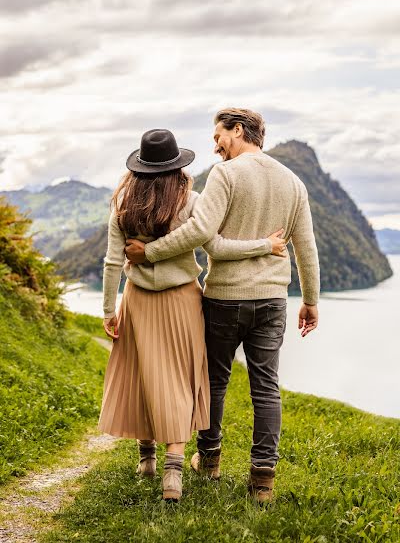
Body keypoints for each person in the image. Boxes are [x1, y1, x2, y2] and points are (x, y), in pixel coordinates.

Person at [125, 108, 320, 503]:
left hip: (225, 298)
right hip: (272, 300)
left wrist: (150, 253)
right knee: (266, 389)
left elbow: (200, 233)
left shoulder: (226, 175)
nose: (215, 144)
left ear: (238, 130)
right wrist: (311, 300)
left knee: (214, 381)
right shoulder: (293, 182)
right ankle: (262, 479)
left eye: (219, 135)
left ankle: (209, 460)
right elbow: (306, 247)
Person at [97, 128, 286, 502]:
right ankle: (173, 471)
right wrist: (266, 245)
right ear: (177, 166)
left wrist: (108, 310)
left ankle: (146, 457)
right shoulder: (190, 200)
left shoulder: (122, 204)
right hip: (183, 299)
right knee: (182, 379)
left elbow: (111, 261)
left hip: (136, 299)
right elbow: (209, 242)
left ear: (139, 167)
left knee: (142, 372)